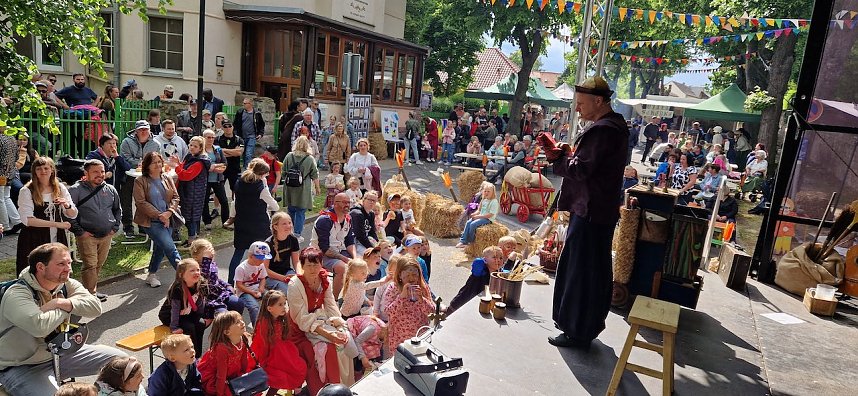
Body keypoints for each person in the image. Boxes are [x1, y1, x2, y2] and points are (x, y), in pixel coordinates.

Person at [542, 76, 628, 349]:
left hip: (591, 211)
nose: (577, 108)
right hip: (597, 210)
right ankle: (583, 327)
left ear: (599, 101)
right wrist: (569, 154)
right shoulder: (614, 126)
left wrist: (558, 157)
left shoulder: (604, 130)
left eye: (581, 103)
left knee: (581, 272)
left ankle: (576, 331)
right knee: (591, 270)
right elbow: (590, 164)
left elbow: (580, 169)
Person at [0, 243, 126, 395]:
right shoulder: (17, 294)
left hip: (61, 354)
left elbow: (95, 307)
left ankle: (102, 393)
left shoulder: (66, 284)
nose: (69, 269)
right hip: (22, 366)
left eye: (69, 263)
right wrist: (68, 308)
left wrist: (60, 302)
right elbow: (39, 327)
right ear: (40, 267)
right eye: (61, 264)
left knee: (123, 364)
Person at [286, 247, 352, 394]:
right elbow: (301, 318)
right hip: (298, 330)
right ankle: (322, 390)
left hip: (318, 322)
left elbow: (330, 304)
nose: (313, 268)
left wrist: (339, 324)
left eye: (316, 264)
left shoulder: (323, 279)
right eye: (308, 265)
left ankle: (340, 387)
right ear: (302, 266)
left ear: (321, 264)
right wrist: (329, 335)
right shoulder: (295, 285)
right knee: (325, 349)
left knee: (345, 340)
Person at [16, 157, 78, 275]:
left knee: (58, 270)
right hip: (34, 236)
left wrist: (67, 205)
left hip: (57, 235)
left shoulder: (59, 187)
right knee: (36, 271)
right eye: (39, 169)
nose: (43, 171)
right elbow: (28, 220)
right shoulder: (27, 191)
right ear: (34, 172)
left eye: (46, 168)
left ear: (52, 170)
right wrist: (56, 224)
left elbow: (73, 214)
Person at [68, 160, 120, 301]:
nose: (100, 174)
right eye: (96, 172)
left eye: (102, 171)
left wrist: (114, 228)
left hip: (106, 235)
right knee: (90, 265)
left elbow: (117, 210)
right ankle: (90, 295)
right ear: (86, 173)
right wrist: (80, 232)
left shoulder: (110, 189)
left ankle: (90, 291)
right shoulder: (75, 190)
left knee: (98, 264)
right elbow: (67, 214)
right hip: (87, 236)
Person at [134, 152, 182, 287]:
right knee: (170, 247)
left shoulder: (167, 177)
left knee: (160, 248)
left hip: (168, 219)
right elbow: (141, 202)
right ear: (147, 165)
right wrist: (160, 215)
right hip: (151, 221)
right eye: (154, 162)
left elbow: (176, 197)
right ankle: (185, 278)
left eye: (159, 162)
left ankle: (151, 274)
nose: (157, 165)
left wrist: (168, 212)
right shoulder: (140, 181)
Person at [228, 158, 278, 283]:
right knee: (265, 252)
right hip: (258, 224)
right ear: (262, 174)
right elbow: (274, 206)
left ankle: (230, 282)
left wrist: (231, 217)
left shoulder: (239, 182)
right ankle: (263, 279)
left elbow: (234, 202)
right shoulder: (260, 187)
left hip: (242, 222)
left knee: (238, 254)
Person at [252, 290, 307, 395]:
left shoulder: (281, 319)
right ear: (269, 308)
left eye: (285, 303)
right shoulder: (264, 323)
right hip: (271, 356)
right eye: (280, 304)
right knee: (280, 376)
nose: (284, 307)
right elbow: (262, 345)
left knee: (300, 366)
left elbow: (285, 337)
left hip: (283, 353)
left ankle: (296, 391)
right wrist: (263, 363)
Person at [381, 256, 434, 354]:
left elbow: (431, 312)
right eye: (407, 275)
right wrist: (401, 297)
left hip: (419, 335)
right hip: (399, 337)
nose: (411, 278)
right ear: (400, 275)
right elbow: (388, 311)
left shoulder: (423, 287)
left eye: (414, 274)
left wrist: (421, 300)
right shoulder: (393, 288)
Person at [157, 258, 208, 358]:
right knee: (190, 328)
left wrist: (202, 316)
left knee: (201, 324)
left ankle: (197, 356)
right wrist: (174, 327)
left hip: (187, 313)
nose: (196, 272)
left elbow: (200, 304)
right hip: (170, 316)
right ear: (181, 275)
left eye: (198, 270)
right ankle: (190, 357)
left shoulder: (200, 283)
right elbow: (175, 310)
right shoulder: (178, 289)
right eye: (192, 270)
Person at [197, 311, 255, 396]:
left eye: (241, 320)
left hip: (232, 372)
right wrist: (220, 393)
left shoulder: (243, 337)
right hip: (218, 376)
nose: (242, 322)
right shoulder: (222, 349)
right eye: (237, 322)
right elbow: (221, 374)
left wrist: (244, 378)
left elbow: (244, 360)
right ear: (227, 332)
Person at [120, 120, 159, 236]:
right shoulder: (126, 142)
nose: (143, 132)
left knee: (144, 202)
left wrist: (147, 165)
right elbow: (125, 159)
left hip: (147, 177)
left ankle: (143, 226)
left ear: (149, 130)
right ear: (136, 131)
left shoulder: (156, 144)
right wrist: (139, 163)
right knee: (126, 202)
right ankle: (128, 227)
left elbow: (157, 159)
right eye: (141, 129)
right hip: (129, 176)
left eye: (146, 129)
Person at [175, 136, 212, 245]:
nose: (192, 148)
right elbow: (184, 167)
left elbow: (186, 175)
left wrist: (177, 167)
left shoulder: (199, 162)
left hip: (194, 193)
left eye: (195, 146)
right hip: (187, 190)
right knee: (187, 215)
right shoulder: (190, 157)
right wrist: (178, 163)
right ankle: (193, 237)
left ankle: (192, 239)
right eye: (191, 145)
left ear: (200, 148)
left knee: (190, 216)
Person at [446, 246, 503, 315]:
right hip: (464, 299)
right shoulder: (480, 271)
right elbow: (477, 263)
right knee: (451, 316)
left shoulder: (499, 273)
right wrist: (484, 260)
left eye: (501, 258)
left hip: (480, 303)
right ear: (485, 260)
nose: (498, 260)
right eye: (494, 257)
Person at [283, 136, 320, 237]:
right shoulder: (309, 158)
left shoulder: (289, 156)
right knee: (300, 211)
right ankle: (297, 234)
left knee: (291, 210)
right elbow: (315, 175)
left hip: (290, 187)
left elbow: (283, 172)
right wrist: (317, 187)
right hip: (303, 188)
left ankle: (289, 231)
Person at [215, 120, 243, 229]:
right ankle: (216, 209)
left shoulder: (238, 139)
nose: (227, 128)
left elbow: (239, 152)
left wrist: (224, 151)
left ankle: (234, 211)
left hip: (234, 169)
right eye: (225, 126)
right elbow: (217, 153)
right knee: (219, 190)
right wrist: (232, 151)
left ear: (232, 127)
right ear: (222, 128)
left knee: (235, 190)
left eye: (229, 126)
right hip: (222, 168)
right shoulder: (217, 139)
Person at [265, 213, 301, 292]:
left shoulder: (293, 239)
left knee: (301, 287)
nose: (288, 226)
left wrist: (299, 274)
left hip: (287, 272)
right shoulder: (268, 244)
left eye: (289, 223)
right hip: (270, 277)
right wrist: (283, 278)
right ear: (275, 227)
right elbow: (265, 270)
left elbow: (296, 261)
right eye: (284, 224)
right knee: (288, 291)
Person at [456, 182, 499, 248]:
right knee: (468, 222)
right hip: (481, 216)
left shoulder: (494, 202)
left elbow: (490, 214)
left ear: (493, 192)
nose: (486, 193)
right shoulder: (483, 199)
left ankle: (471, 242)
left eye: (488, 191)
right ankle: (463, 241)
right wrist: (474, 214)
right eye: (485, 191)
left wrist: (478, 216)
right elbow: (479, 210)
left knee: (473, 224)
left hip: (488, 219)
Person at [201, 129, 229, 230]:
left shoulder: (218, 149)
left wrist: (220, 168)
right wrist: (213, 167)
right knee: (204, 201)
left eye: (213, 137)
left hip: (218, 179)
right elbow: (201, 165)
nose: (211, 139)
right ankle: (207, 222)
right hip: (205, 180)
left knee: (224, 201)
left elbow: (225, 162)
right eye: (209, 137)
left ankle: (226, 222)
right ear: (203, 138)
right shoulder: (201, 150)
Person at [0, 130, 24, 236]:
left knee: (1, 199)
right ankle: (17, 221)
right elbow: (16, 158)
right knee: (6, 198)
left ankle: (5, 226)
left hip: (1, 172)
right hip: (10, 172)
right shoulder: (12, 139)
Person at [233, 97, 265, 167]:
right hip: (241, 137)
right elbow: (235, 124)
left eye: (245, 103)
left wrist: (260, 134)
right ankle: (244, 167)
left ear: (250, 104)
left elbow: (261, 124)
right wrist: (235, 134)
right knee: (243, 153)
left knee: (248, 153)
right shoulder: (240, 112)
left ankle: (246, 169)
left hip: (252, 136)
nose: (243, 105)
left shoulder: (257, 113)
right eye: (243, 103)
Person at [350, 191, 379, 256]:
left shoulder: (371, 214)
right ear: (364, 199)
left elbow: (372, 231)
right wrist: (372, 248)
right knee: (371, 255)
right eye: (369, 200)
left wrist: (378, 244)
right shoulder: (357, 213)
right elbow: (360, 235)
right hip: (355, 241)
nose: (372, 202)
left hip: (365, 239)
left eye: (374, 201)